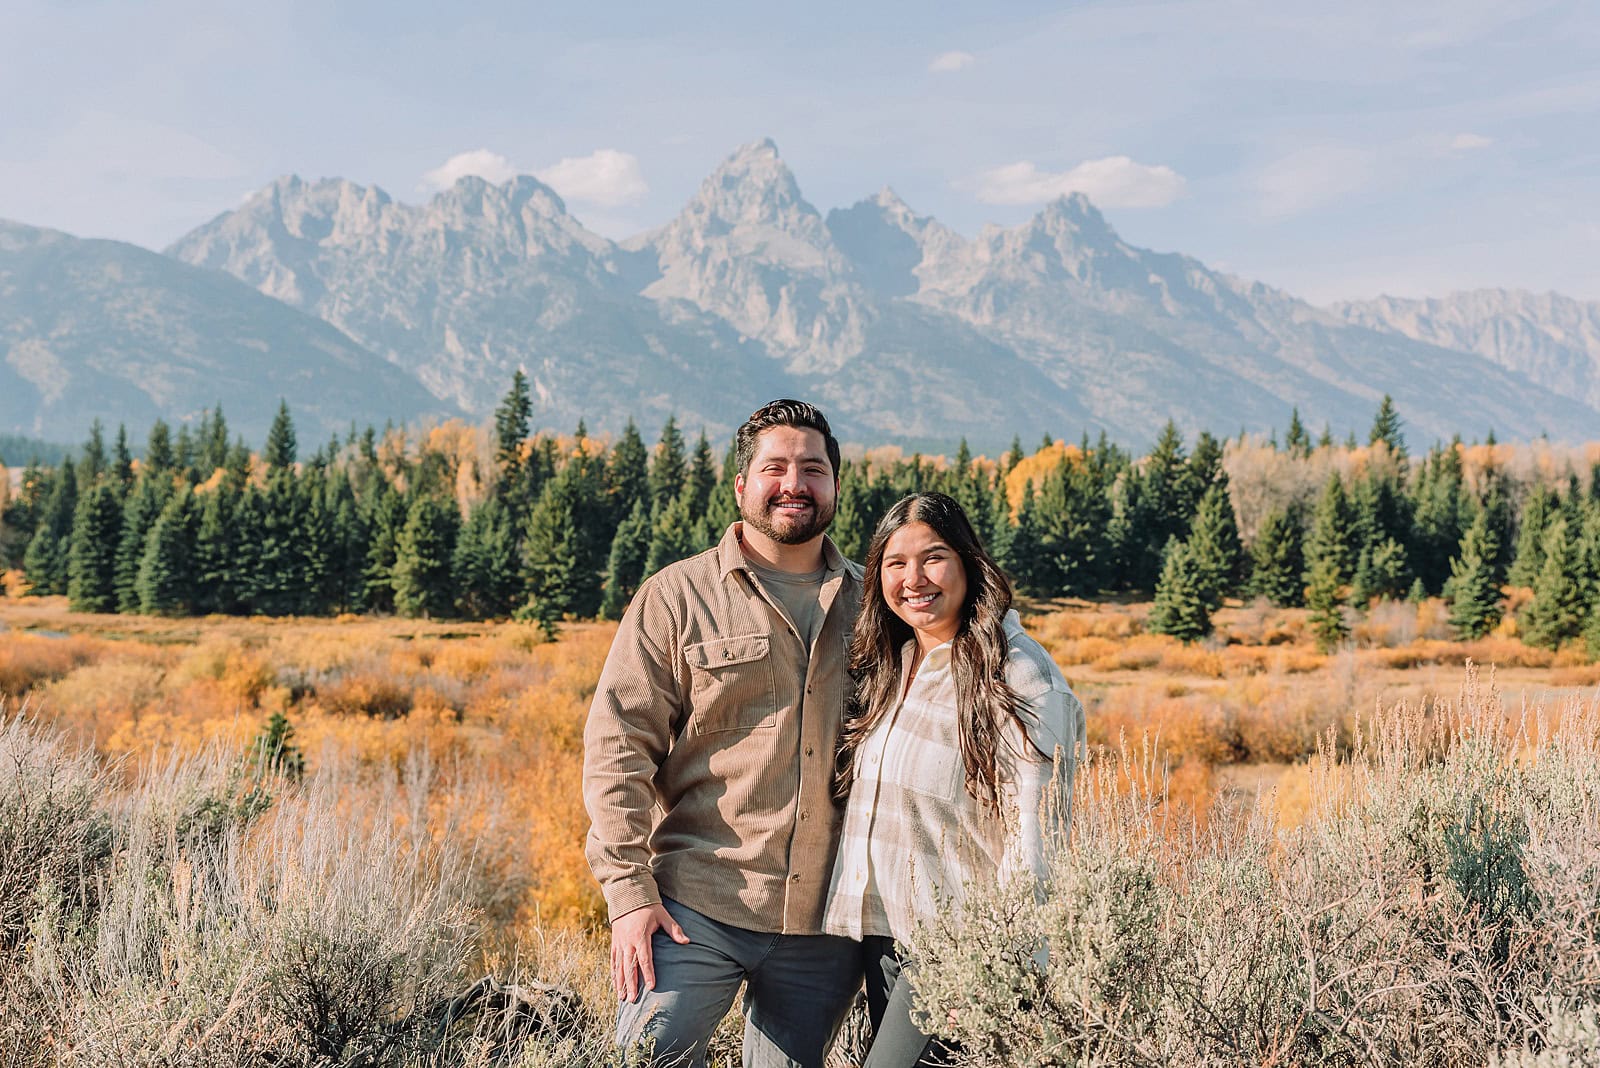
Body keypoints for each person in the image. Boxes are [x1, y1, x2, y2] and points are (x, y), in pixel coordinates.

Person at [583, 399, 865, 1068]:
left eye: (813, 469)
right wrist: (627, 898)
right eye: (775, 468)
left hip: (826, 925)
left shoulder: (873, 601)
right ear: (741, 486)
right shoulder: (676, 598)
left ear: (834, 486)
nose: (793, 483)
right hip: (694, 911)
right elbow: (617, 748)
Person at [823, 492, 1086, 1067]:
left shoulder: (1019, 677)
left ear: (970, 562)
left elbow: (1040, 845)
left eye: (933, 557)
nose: (914, 578)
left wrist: (999, 970)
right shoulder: (892, 665)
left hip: (963, 950)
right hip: (887, 939)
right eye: (896, 563)